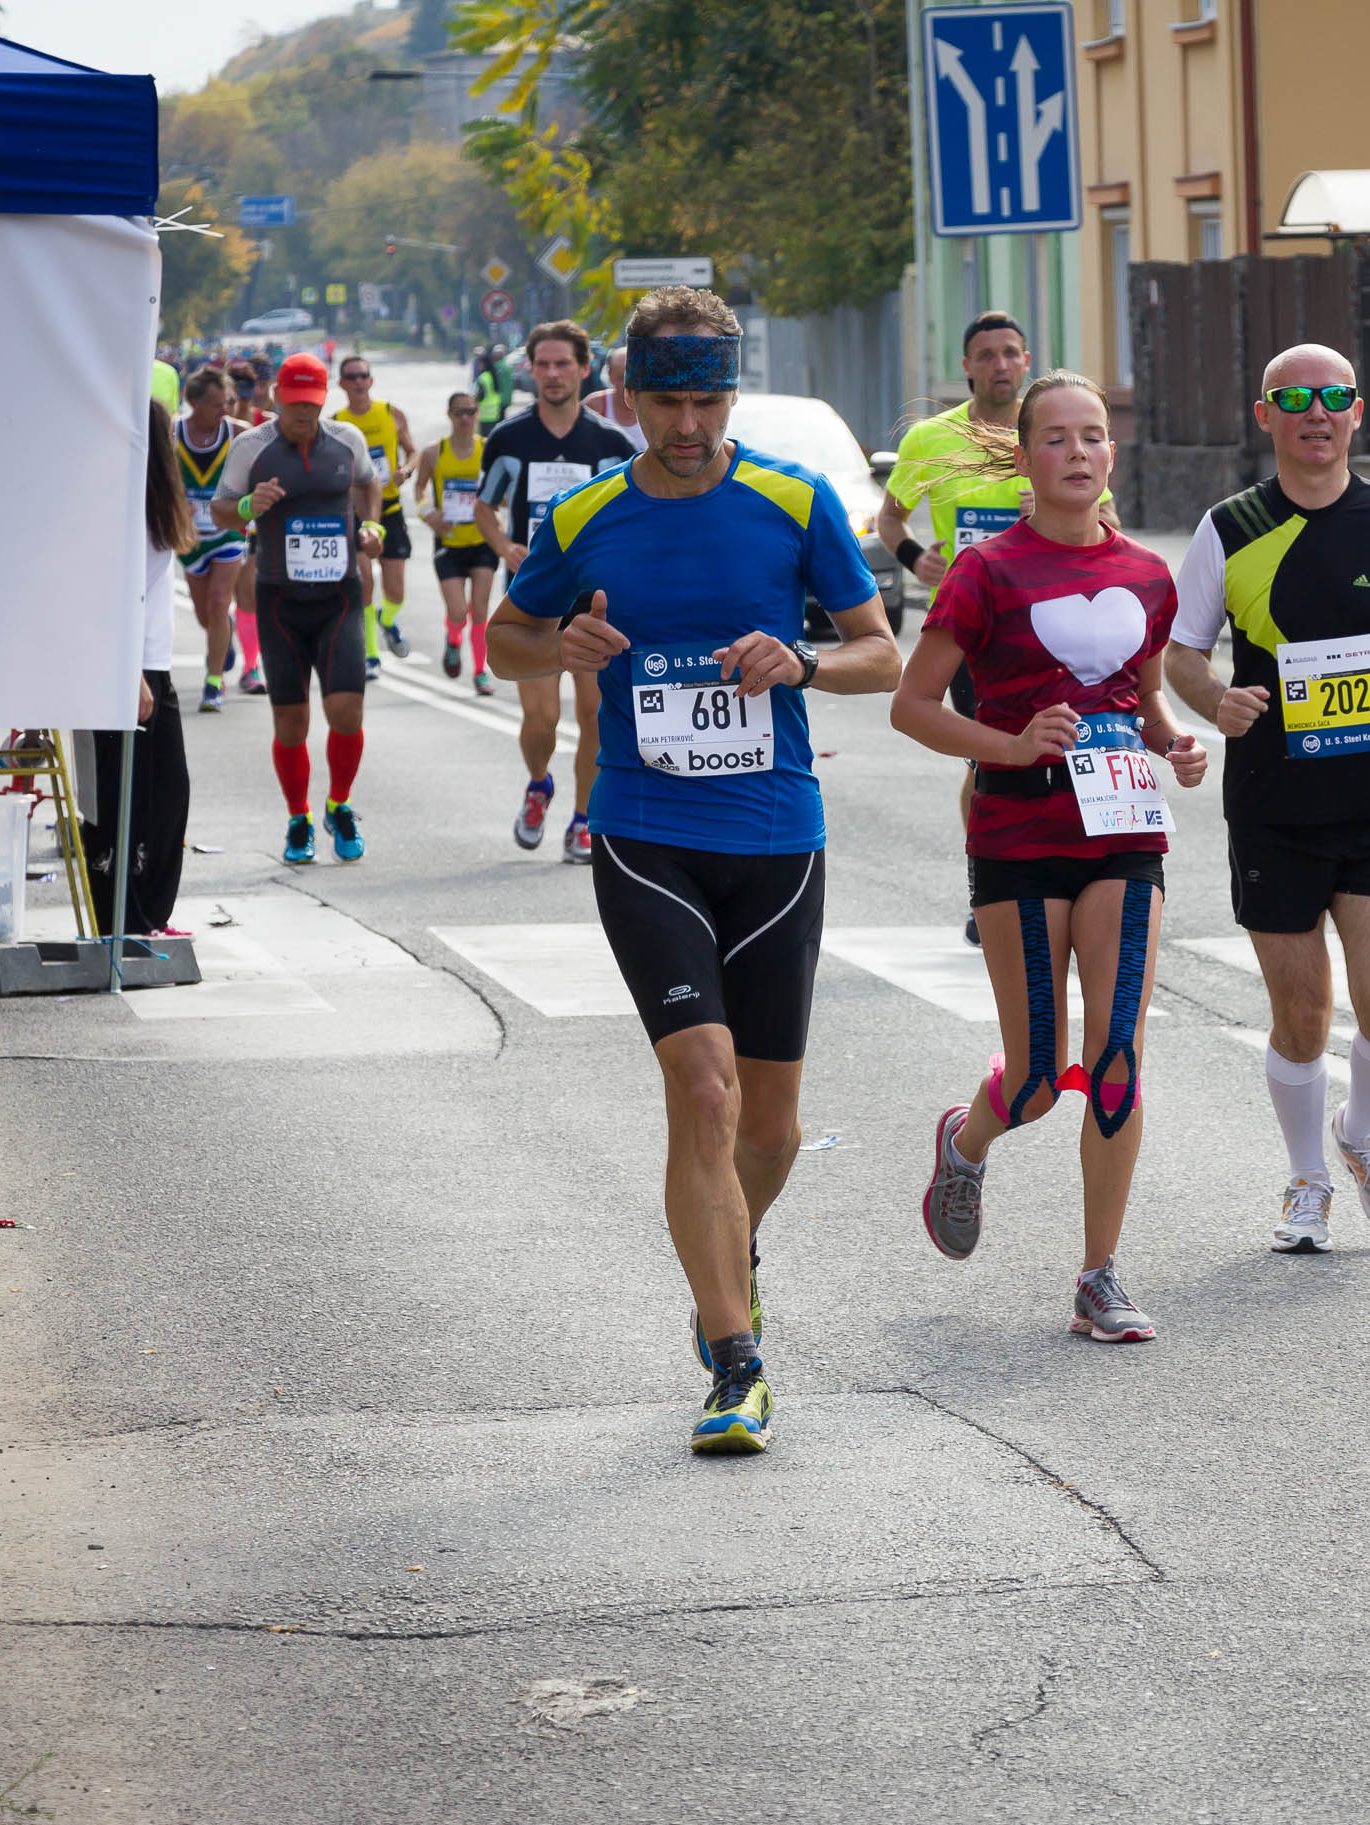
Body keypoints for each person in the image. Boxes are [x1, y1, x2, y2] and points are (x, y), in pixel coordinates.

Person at [486, 285, 895, 1453]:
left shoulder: (793, 500)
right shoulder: (590, 513)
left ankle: (726, 1250)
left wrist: (801, 661)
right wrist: (555, 642)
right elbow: (505, 637)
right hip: (644, 829)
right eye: (665, 403)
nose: (686, 426)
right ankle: (734, 1358)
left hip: (774, 838)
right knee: (703, 1088)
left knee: (769, 1129)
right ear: (626, 396)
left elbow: (880, 653)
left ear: (730, 394)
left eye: (707, 402)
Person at [895, 373, 1207, 1343]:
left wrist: (1175, 743)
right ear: (1025, 456)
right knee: (1037, 1081)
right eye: (1059, 438)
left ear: (1112, 452)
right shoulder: (984, 572)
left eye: (1094, 436)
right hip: (1019, 841)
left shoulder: (1146, 576)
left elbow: (1143, 702)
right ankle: (966, 1140)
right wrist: (1013, 743)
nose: (1079, 452)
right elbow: (913, 706)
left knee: (1115, 1060)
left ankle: (1098, 1276)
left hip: (1124, 837)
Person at [1163, 344, 1370, 1256]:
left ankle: (1360, 1131)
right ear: (1266, 417)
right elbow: (1181, 653)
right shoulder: (1230, 526)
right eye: (1294, 399)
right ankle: (1307, 1178)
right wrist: (1217, 701)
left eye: (1334, 396)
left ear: (1357, 412)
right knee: (1302, 1017)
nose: (1316, 412)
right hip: (1275, 806)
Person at [880, 313, 1113, 944]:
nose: (1000, 365)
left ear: (1026, 359)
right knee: (988, 752)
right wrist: (917, 560)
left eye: (1011, 353)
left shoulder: (1056, 432)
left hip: (1059, 619)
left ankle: (1072, 864)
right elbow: (891, 520)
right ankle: (990, 881)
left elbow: (1108, 524)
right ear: (967, 367)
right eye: (986, 355)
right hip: (973, 623)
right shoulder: (932, 439)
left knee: (1064, 743)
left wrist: (1060, 508)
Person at [212, 351, 387, 866]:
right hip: (280, 601)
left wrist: (371, 526)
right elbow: (220, 510)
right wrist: (249, 506)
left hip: (339, 598)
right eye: (294, 403)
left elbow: (368, 482)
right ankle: (299, 817)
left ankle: (339, 804)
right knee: (291, 722)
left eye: (312, 403)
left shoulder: (346, 440)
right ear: (277, 397)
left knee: (346, 712)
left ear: (323, 399)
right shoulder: (251, 447)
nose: (304, 413)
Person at [476, 320, 635, 862]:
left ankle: (584, 820)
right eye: (542, 364)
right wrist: (505, 546)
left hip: (594, 602)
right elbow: (485, 507)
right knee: (542, 719)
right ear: (530, 370)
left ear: (584, 368)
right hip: (534, 602)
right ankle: (539, 783)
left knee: (594, 717)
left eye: (562, 363)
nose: (552, 374)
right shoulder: (508, 439)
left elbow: (627, 518)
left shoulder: (610, 444)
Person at [88, 401, 197, 935]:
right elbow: (106, 591)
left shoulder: (152, 501)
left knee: (167, 793)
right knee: (119, 800)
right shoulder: (117, 500)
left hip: (151, 664)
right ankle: (121, 922)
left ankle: (147, 918)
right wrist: (128, 674)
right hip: (123, 669)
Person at [334, 354, 417, 675]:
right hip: (354, 513)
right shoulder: (336, 422)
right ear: (341, 383)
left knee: (396, 592)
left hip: (390, 509)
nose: (358, 382)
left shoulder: (391, 413)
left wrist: (405, 470)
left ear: (371, 380)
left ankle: (388, 619)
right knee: (364, 582)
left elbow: (412, 451)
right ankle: (370, 654)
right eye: (351, 377)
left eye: (362, 376)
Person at [414, 391, 499, 695]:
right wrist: (428, 514)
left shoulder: (489, 449)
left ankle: (480, 672)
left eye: (470, 412)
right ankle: (453, 639)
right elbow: (419, 489)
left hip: (482, 540)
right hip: (449, 543)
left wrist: (498, 501)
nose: (465, 418)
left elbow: (503, 488)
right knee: (459, 611)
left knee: (480, 610)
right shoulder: (434, 452)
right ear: (449, 416)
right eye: (459, 412)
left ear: (477, 414)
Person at [174, 369, 249, 712]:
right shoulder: (172, 432)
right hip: (191, 539)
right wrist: (177, 504)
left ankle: (214, 683)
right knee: (206, 616)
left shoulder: (239, 433)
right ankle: (223, 634)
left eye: (228, 402)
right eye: (217, 405)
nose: (225, 410)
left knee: (220, 602)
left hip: (228, 534)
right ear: (194, 402)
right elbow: (156, 478)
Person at [225, 356, 273, 695]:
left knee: (248, 595)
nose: (245, 393)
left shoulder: (267, 424)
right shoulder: (215, 425)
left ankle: (250, 668)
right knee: (219, 601)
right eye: (238, 386)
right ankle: (221, 628)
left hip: (255, 521)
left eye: (250, 385)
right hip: (223, 518)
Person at [592, 344, 648, 453]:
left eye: (634, 376)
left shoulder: (657, 405)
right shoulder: (596, 405)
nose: (628, 384)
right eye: (621, 378)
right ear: (610, 377)